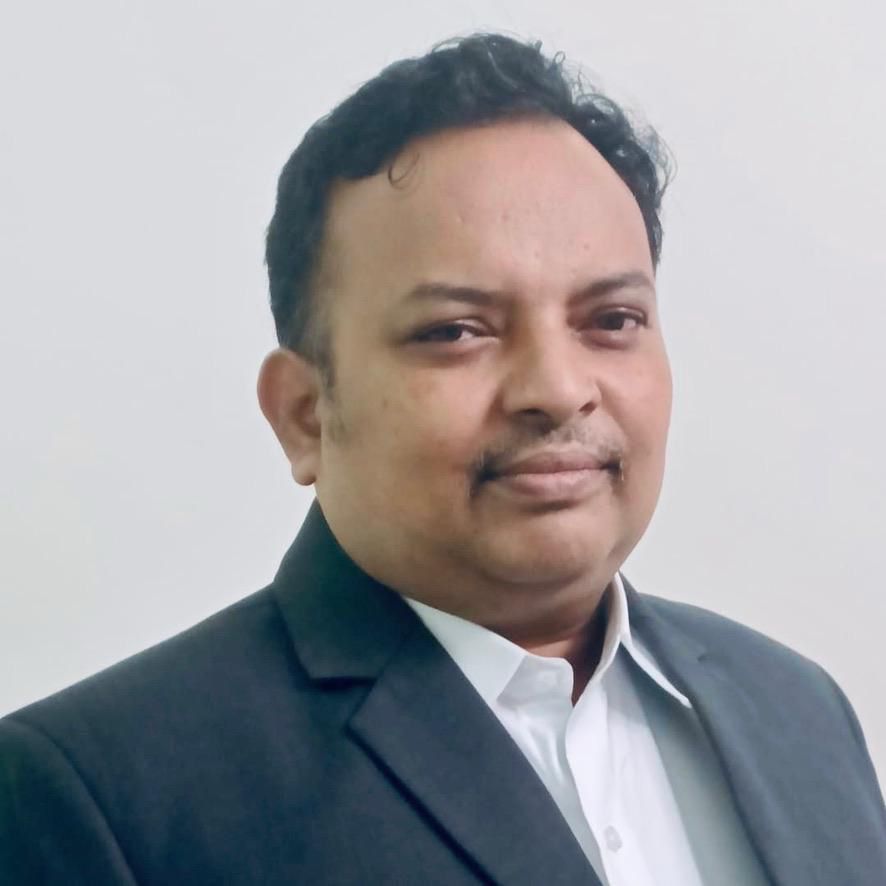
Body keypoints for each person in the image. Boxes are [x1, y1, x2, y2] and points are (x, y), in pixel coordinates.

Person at [1, 32, 884, 886]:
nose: (556, 389)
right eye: (457, 331)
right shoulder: (95, 798)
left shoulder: (797, 709)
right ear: (304, 414)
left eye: (611, 320)